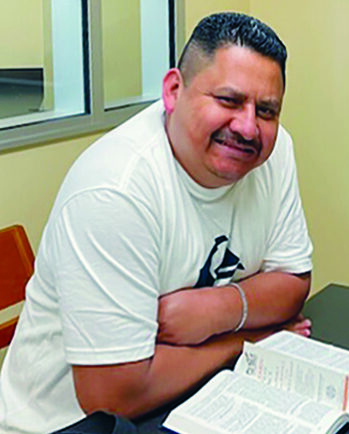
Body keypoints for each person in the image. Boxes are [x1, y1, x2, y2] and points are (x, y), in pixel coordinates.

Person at [0, 12, 314, 433]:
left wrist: (212, 310)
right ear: (173, 91)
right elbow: (113, 395)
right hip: (68, 424)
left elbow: (292, 283)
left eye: (267, 110)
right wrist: (248, 339)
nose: (247, 127)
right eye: (228, 100)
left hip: (193, 398)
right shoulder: (115, 189)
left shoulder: (274, 153)